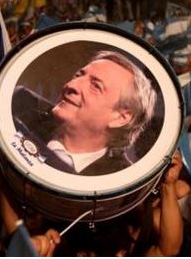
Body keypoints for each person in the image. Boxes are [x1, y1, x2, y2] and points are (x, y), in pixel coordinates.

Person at [12, 50, 157, 176]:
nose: (71, 85)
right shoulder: (16, 107)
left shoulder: (121, 184)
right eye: (78, 75)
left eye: (95, 86)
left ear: (120, 117)